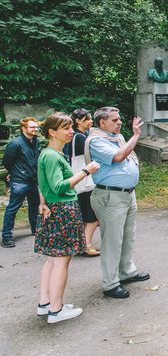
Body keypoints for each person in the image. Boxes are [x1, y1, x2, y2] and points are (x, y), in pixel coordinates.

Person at [36, 112, 100, 323]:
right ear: (52, 132)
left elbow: (43, 184)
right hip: (63, 210)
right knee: (61, 261)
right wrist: (85, 171)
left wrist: (42, 202)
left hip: (53, 209)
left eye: (71, 127)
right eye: (66, 128)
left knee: (52, 260)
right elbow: (58, 186)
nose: (71, 131)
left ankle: (45, 303)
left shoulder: (47, 154)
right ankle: (56, 309)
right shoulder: (53, 155)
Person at [87, 107, 150, 299]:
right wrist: (136, 135)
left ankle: (126, 271)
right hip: (110, 196)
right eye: (114, 120)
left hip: (126, 195)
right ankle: (110, 283)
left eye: (119, 118)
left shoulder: (116, 138)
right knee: (112, 241)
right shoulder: (97, 140)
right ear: (102, 123)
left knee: (127, 236)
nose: (119, 122)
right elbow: (119, 157)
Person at [63, 109, 100, 256]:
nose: (90, 122)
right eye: (87, 119)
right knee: (92, 216)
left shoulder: (75, 136)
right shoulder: (79, 138)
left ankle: (81, 242)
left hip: (78, 179)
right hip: (85, 180)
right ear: (78, 121)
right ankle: (87, 244)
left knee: (85, 214)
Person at [2, 117, 40, 248]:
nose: (35, 129)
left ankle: (35, 229)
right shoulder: (15, 143)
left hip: (34, 180)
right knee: (13, 208)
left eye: (36, 127)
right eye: (32, 127)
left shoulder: (35, 141)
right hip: (20, 181)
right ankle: (6, 236)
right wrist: (14, 173)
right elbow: (7, 161)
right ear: (24, 129)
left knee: (35, 206)